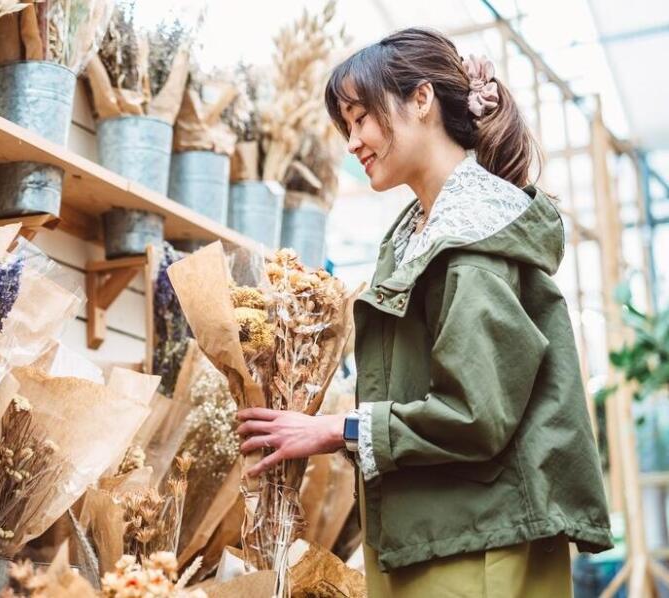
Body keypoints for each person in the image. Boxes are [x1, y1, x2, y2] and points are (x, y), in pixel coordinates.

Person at [234, 27, 612, 596]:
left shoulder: (472, 240)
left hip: (479, 543)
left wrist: (338, 429)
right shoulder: (425, 234)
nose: (353, 141)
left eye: (360, 118)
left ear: (421, 98)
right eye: (346, 124)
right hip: (446, 534)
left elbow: (475, 413)